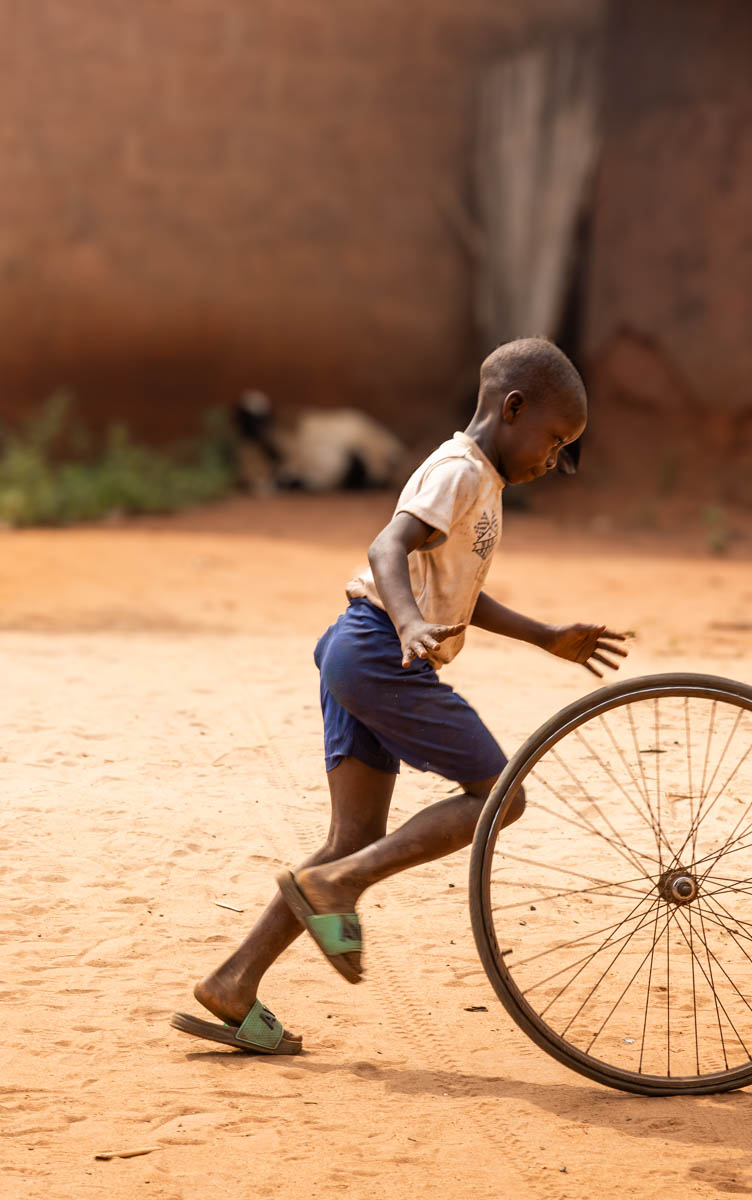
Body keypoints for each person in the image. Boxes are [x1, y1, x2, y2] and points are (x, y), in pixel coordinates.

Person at [172, 338, 628, 1055]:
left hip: (359, 648)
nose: (555, 460)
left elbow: (457, 590)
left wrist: (545, 636)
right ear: (513, 409)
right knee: (502, 797)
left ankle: (233, 982)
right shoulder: (459, 471)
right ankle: (341, 884)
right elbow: (388, 547)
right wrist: (410, 624)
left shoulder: (481, 483)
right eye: (555, 440)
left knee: (351, 836)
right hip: (380, 648)